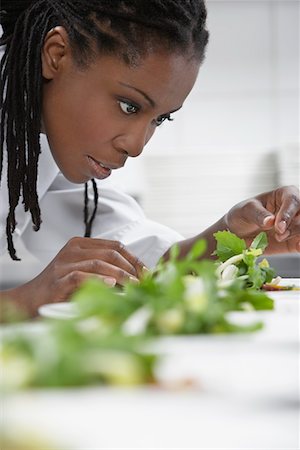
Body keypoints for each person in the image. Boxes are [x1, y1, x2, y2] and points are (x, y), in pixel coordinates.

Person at [0, 0, 299, 317]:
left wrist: (227, 238)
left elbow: (133, 262)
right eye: (129, 106)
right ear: (57, 54)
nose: (137, 145)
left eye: (160, 119)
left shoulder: (39, 146)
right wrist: (19, 302)